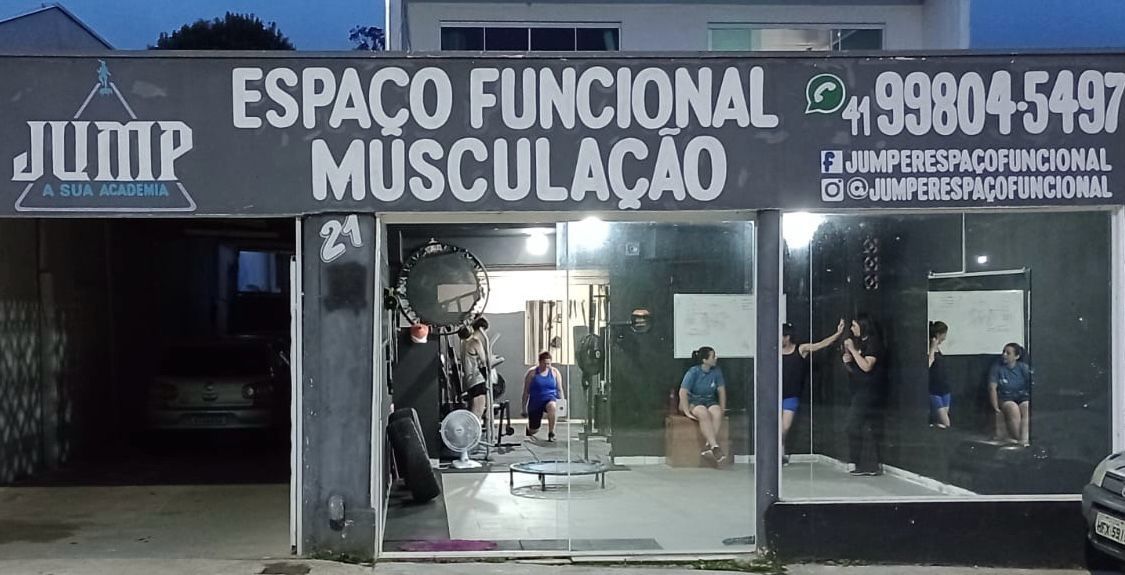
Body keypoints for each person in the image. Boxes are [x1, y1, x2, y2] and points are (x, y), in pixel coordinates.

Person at [781, 318, 846, 464]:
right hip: (776, 394)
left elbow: (820, 345)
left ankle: (781, 449)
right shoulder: (774, 352)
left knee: (784, 427)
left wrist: (837, 334)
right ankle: (781, 452)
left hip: (791, 396)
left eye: (780, 337)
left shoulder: (800, 349)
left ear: (787, 337)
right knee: (775, 428)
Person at [842, 314, 886, 476]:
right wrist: (847, 361)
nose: (852, 329)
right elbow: (856, 369)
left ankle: (865, 463)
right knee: (860, 426)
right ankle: (861, 462)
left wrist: (853, 351)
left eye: (854, 326)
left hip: (870, 391)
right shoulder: (861, 343)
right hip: (859, 389)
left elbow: (867, 366)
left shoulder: (873, 343)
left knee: (853, 424)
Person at [678, 346, 727, 465]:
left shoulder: (716, 372)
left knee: (716, 412)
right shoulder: (693, 372)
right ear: (705, 360)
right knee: (703, 412)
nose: (716, 358)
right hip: (694, 401)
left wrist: (722, 407)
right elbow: (683, 392)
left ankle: (708, 446)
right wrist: (686, 411)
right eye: (713, 356)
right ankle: (715, 446)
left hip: (709, 400)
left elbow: (721, 391)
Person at [989, 342, 1032, 447]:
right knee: (1013, 408)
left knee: (1027, 406)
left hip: (1022, 397)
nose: (1004, 355)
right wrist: (996, 408)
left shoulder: (1023, 368)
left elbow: (1032, 384)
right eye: (1003, 352)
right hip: (1005, 398)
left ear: (1016, 356)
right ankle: (1019, 439)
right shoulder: (997, 368)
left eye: (1008, 353)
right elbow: (992, 388)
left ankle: (1025, 439)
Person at [522, 351, 565, 441]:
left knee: (552, 406)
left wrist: (562, 404)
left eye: (548, 364)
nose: (546, 366)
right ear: (539, 362)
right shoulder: (532, 373)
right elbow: (526, 392)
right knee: (534, 430)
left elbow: (559, 389)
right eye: (544, 364)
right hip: (535, 403)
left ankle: (551, 433)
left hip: (550, 399)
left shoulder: (554, 372)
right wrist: (524, 408)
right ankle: (529, 429)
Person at [928, 321, 951, 429]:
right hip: (934, 390)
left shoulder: (938, 349)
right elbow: (928, 364)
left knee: (942, 423)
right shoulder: (930, 349)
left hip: (944, 389)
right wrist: (932, 348)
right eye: (944, 335)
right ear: (938, 334)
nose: (945, 338)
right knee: (946, 422)